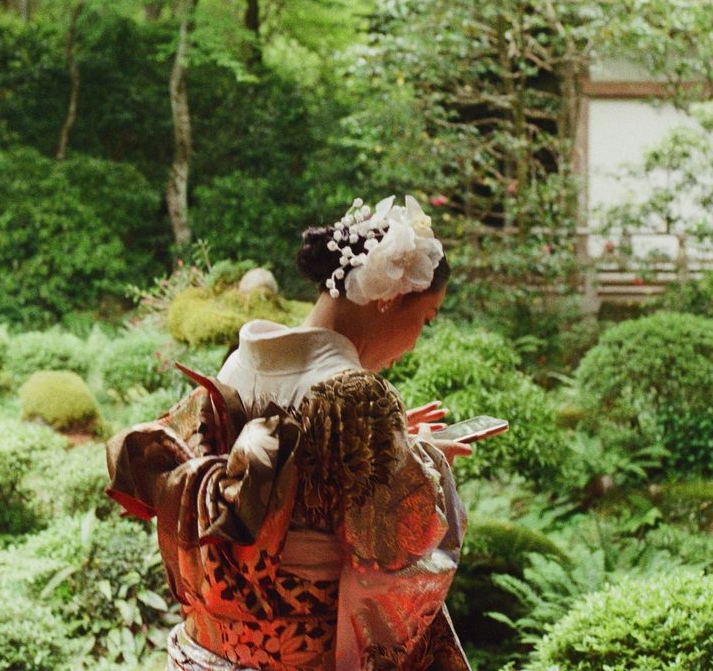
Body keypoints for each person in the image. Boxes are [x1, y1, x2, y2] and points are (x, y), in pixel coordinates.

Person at [106, 195, 472, 671]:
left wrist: (397, 443)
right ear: (390, 298)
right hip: (303, 651)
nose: (417, 340)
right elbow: (395, 549)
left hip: (214, 644)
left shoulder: (242, 361)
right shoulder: (357, 395)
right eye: (425, 318)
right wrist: (428, 463)